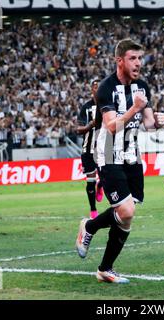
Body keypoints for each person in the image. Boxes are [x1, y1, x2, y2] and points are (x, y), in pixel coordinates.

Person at [75, 39, 164, 283]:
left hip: (132, 153)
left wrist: (157, 121)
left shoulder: (143, 86)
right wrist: (134, 109)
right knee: (125, 210)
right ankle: (90, 228)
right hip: (108, 152)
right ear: (120, 61)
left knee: (126, 214)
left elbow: (148, 125)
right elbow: (112, 126)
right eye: (133, 58)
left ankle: (105, 268)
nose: (138, 63)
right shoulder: (106, 87)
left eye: (140, 58)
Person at [75, 79, 104, 219]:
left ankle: (101, 185)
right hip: (88, 150)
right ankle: (93, 210)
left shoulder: (108, 106)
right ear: (92, 90)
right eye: (95, 87)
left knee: (107, 177)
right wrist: (90, 125)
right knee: (90, 179)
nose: (97, 90)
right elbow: (78, 129)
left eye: (100, 87)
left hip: (106, 149)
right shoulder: (86, 108)